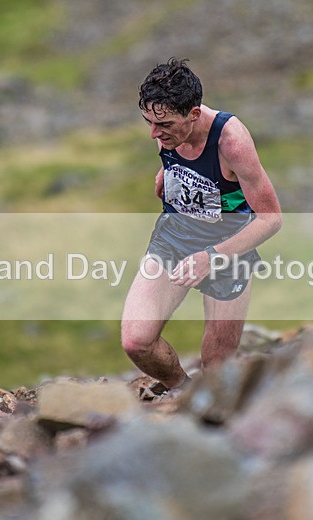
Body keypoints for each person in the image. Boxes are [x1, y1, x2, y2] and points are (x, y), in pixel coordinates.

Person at [121, 58, 282, 396]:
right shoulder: (167, 129)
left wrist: (211, 257)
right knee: (136, 341)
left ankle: (209, 404)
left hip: (229, 248)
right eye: (148, 122)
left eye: (163, 125)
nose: (154, 133)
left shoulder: (231, 142)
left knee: (216, 369)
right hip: (175, 238)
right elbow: (177, 156)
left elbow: (271, 219)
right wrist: (167, 174)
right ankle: (181, 391)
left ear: (193, 114)